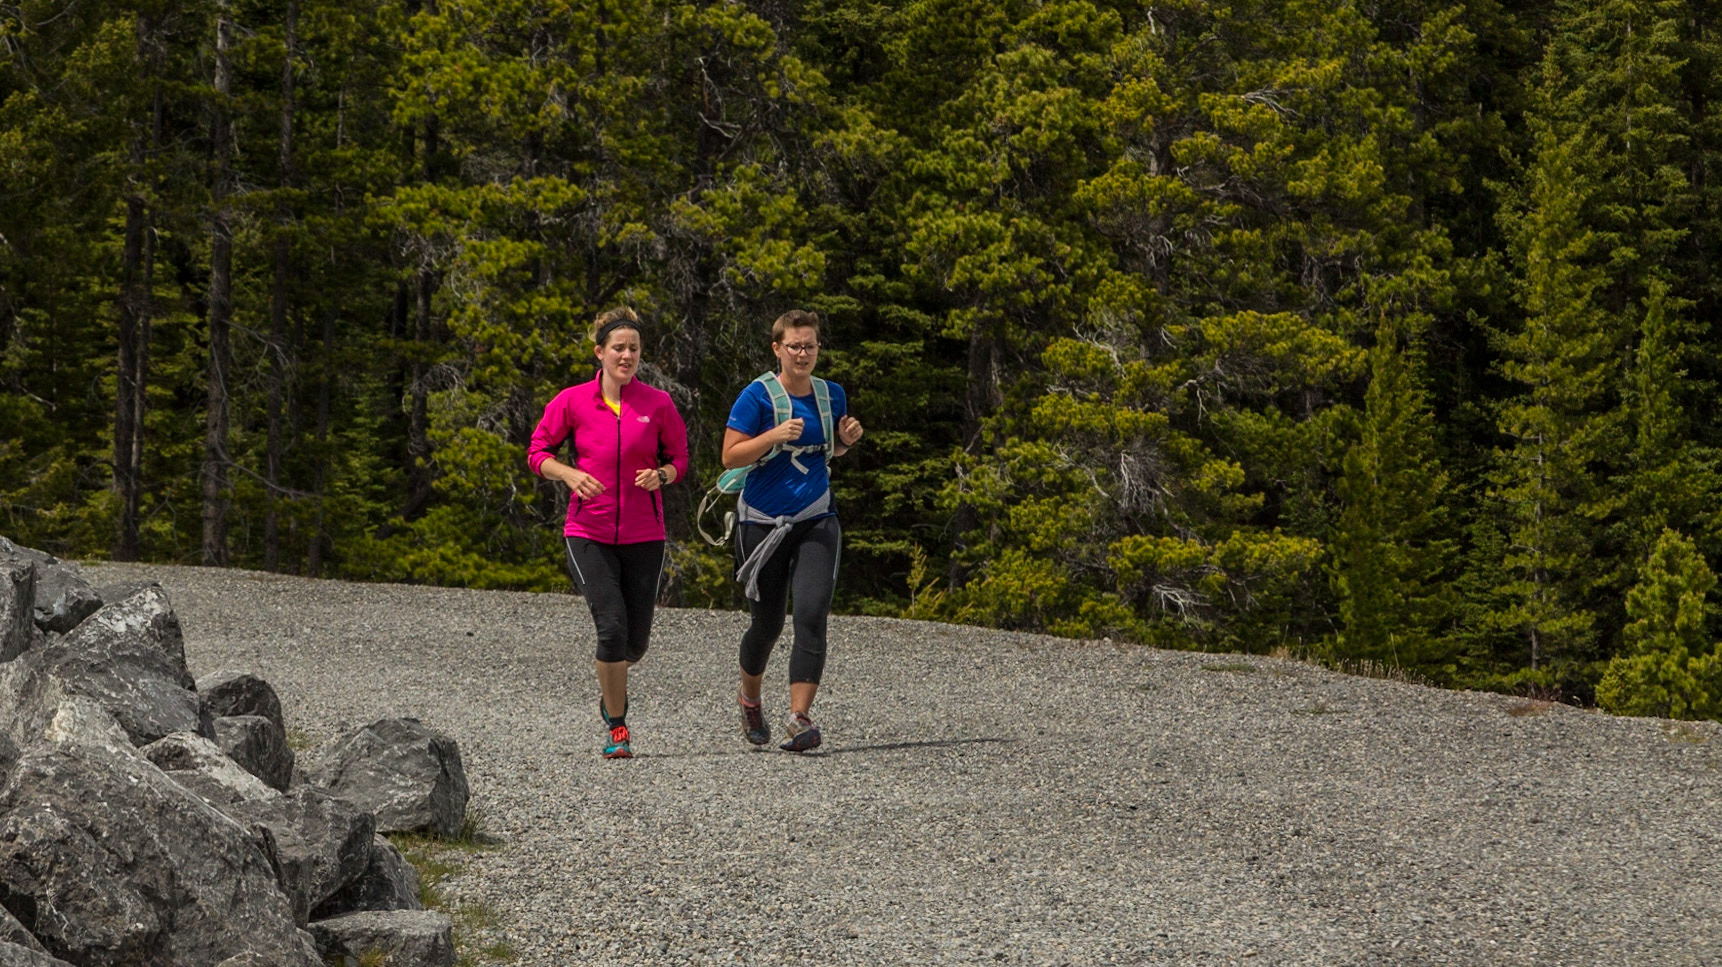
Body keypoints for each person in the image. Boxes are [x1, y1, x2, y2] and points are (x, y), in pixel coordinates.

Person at [528, 307, 688, 759]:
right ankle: (617, 727)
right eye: (618, 347)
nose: (627, 355)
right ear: (600, 353)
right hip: (588, 531)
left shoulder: (657, 404)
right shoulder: (573, 401)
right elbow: (537, 452)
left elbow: (681, 459)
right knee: (612, 629)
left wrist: (664, 475)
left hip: (644, 535)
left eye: (634, 349)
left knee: (635, 643)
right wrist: (568, 474)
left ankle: (610, 686)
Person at [722, 309, 864, 752]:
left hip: (817, 519)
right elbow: (730, 457)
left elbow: (829, 451)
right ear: (777, 349)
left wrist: (846, 441)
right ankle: (750, 698)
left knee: (810, 615)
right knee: (765, 627)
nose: (803, 354)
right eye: (795, 346)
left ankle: (800, 718)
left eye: (810, 346)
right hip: (761, 524)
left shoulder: (831, 395)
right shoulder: (757, 397)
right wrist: (774, 435)